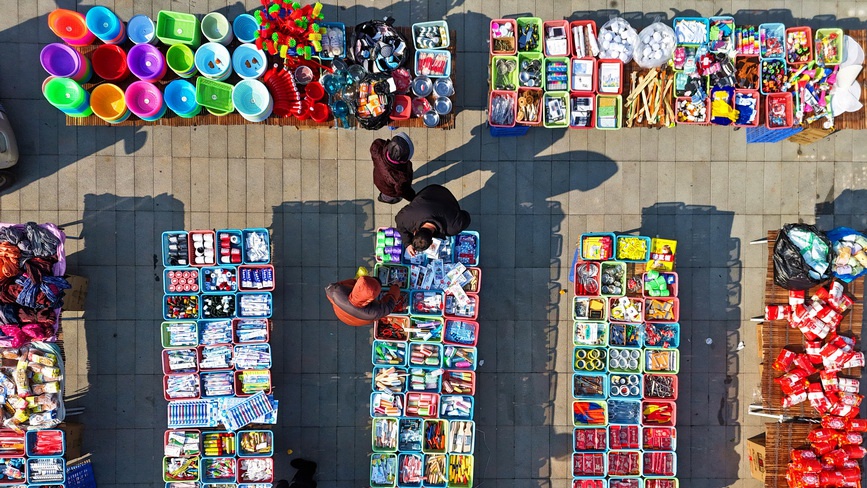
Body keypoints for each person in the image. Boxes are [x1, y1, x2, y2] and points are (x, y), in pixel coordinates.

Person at [394, 184, 471, 256]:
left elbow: (465, 216)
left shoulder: (452, 228)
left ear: (432, 242)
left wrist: (452, 213)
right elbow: (400, 224)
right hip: (429, 191)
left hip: (444, 196)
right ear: (415, 232)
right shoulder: (405, 218)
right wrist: (407, 244)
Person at [325, 275, 399, 326]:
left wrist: (358, 282)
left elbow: (345, 284)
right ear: (371, 298)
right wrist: (396, 287)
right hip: (358, 321)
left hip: (340, 314)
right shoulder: (374, 312)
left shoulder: (336, 291)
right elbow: (389, 305)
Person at [370, 132, 416, 204]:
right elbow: (403, 191)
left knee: (384, 190)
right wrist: (413, 197)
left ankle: (382, 197)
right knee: (388, 194)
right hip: (388, 190)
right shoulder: (400, 179)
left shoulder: (376, 147)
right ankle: (384, 198)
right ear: (404, 160)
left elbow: (379, 143)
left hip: (378, 179)